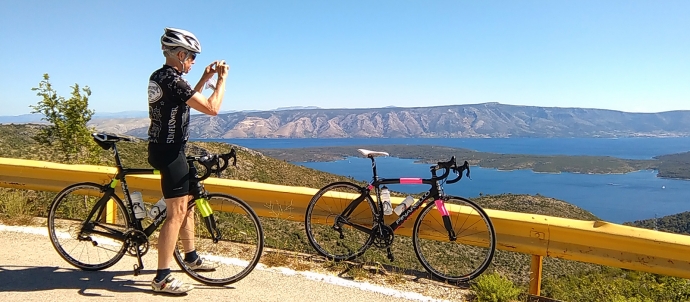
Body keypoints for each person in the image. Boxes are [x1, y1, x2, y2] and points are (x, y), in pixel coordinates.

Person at [146, 27, 228, 294]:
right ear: (180, 54)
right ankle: (162, 278)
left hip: (168, 149)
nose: (193, 62)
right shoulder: (173, 80)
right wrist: (222, 80)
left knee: (189, 204)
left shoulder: (163, 76)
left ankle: (190, 257)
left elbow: (185, 98)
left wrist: (204, 76)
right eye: (191, 57)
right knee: (176, 213)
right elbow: (211, 108)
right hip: (169, 152)